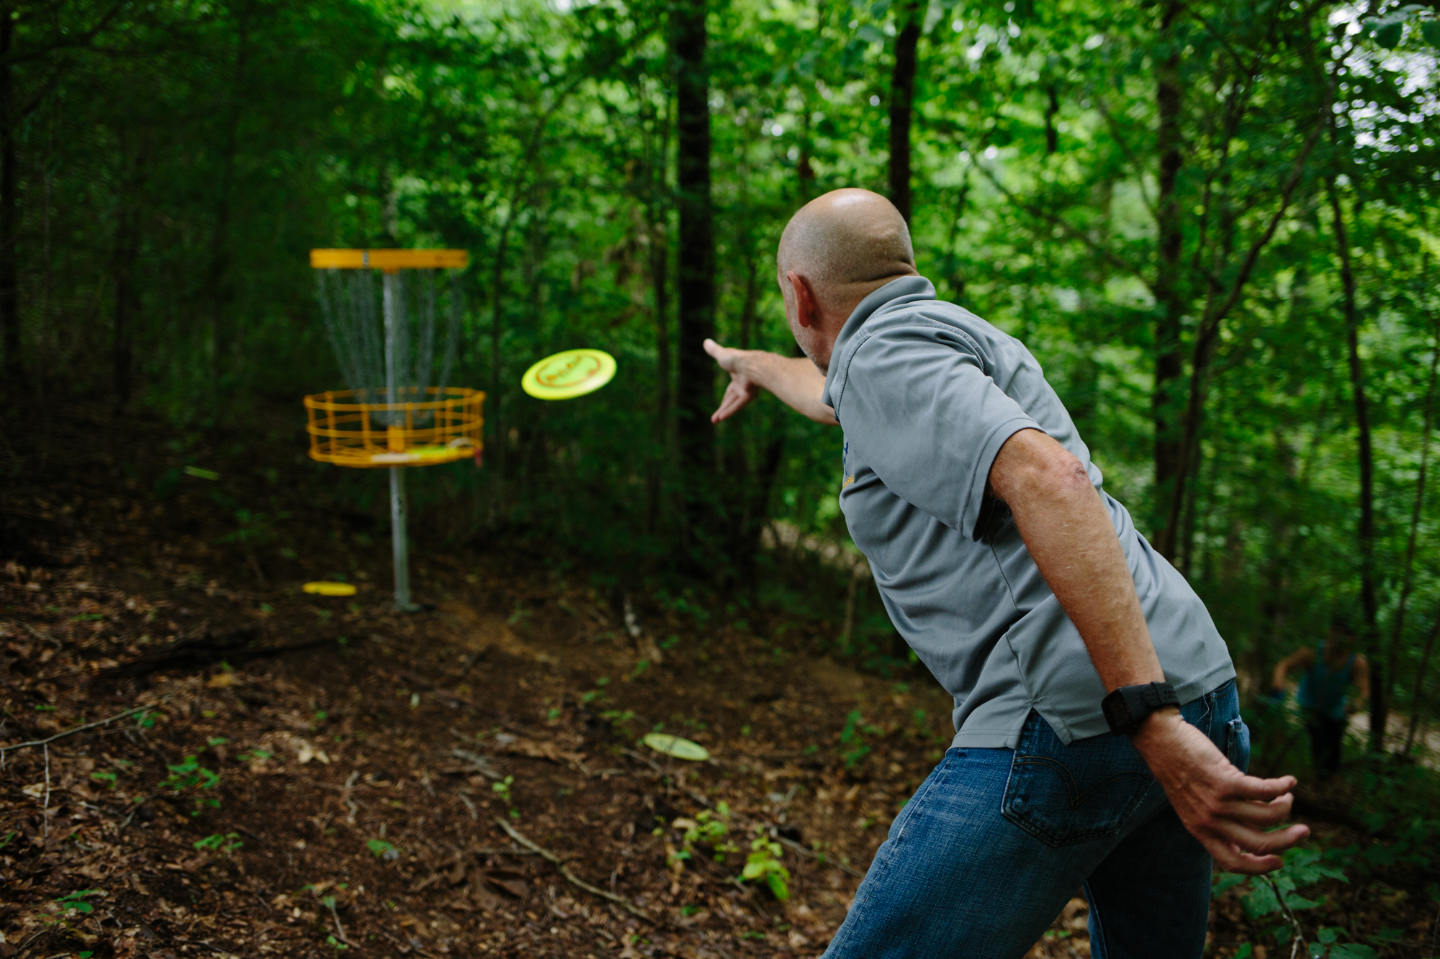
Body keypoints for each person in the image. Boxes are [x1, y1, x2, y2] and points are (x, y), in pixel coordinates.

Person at [703, 188, 1308, 959]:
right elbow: (832, 396)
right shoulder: (941, 337)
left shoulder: (883, 356)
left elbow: (1048, 476)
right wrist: (748, 363)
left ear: (800, 292)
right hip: (1197, 682)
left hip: (1082, 714)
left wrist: (1147, 718)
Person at [1272, 618, 1370, 780]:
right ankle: (1313, 778)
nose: (1340, 638)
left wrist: (1356, 705)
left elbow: (1364, 690)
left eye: (1346, 635)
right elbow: (1284, 665)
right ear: (1331, 633)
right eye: (1337, 632)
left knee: (1333, 751)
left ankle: (1326, 781)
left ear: (1352, 639)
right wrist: (1278, 685)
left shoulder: (1356, 662)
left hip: (1335, 710)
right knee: (1318, 740)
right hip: (1309, 705)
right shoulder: (1313, 653)